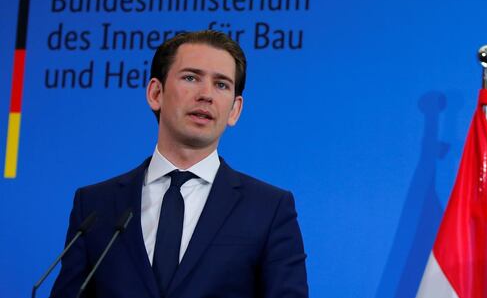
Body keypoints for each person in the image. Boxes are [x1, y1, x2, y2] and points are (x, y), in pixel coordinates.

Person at [50, 30, 308, 298]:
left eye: (221, 85)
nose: (206, 94)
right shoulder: (95, 205)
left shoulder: (269, 209)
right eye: (191, 77)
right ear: (155, 93)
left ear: (234, 110)